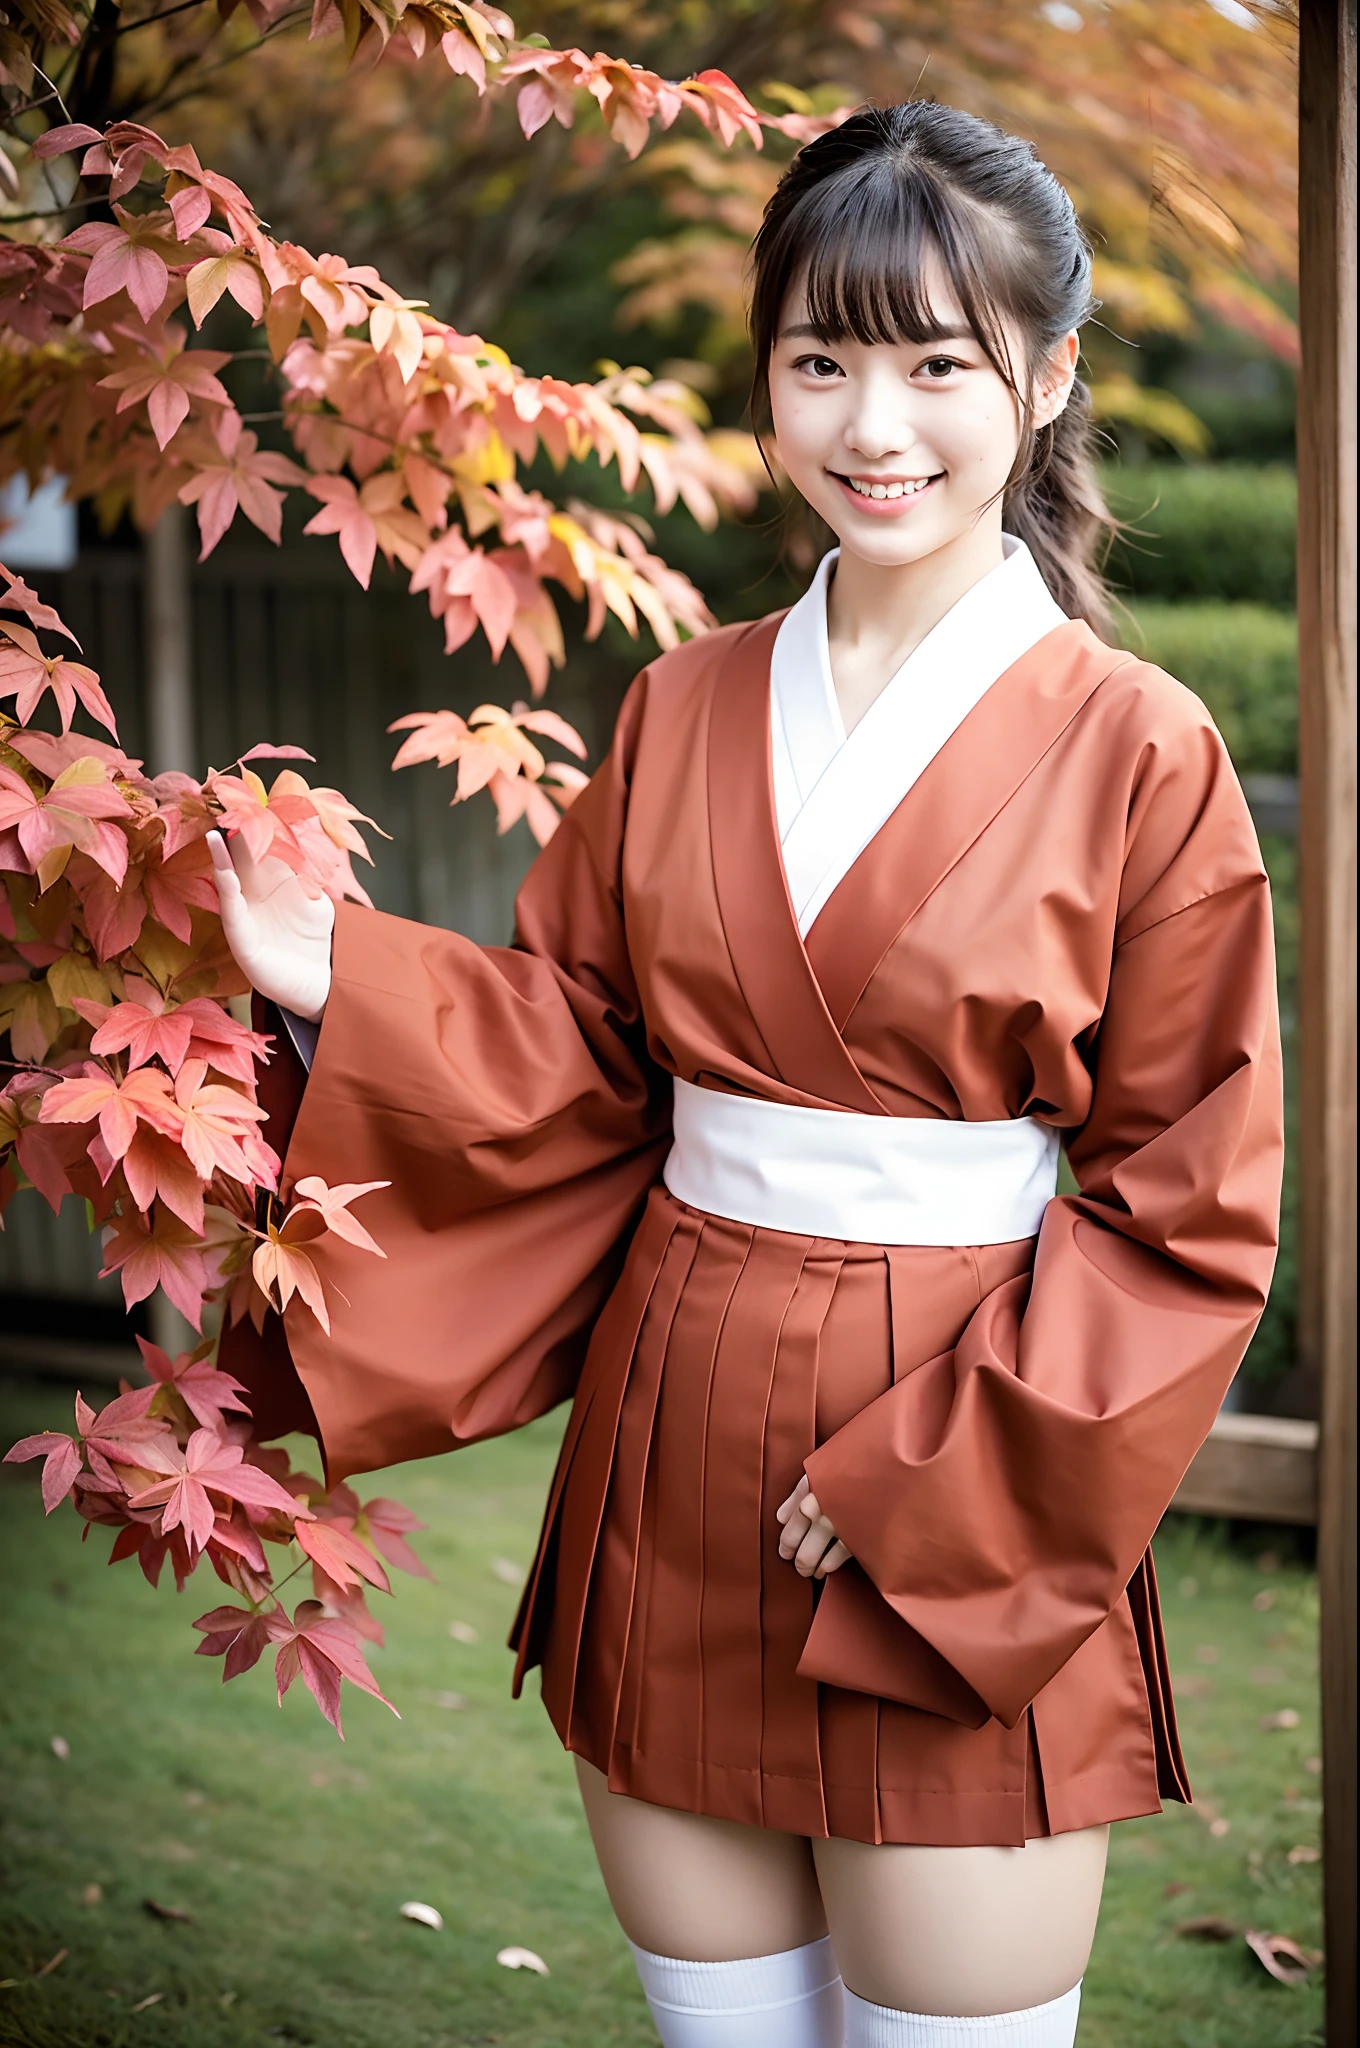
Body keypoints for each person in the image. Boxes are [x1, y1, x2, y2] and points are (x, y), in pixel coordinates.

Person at [209, 101, 1283, 2048]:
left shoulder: (1137, 745)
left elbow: (1187, 1195)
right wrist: (335, 972)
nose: (873, 424)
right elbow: (584, 1048)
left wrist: (947, 1488)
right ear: (767, 377)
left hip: (973, 1439)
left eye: (935, 363)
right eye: (820, 362)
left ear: (1040, 382)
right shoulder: (684, 699)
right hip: (678, 1429)